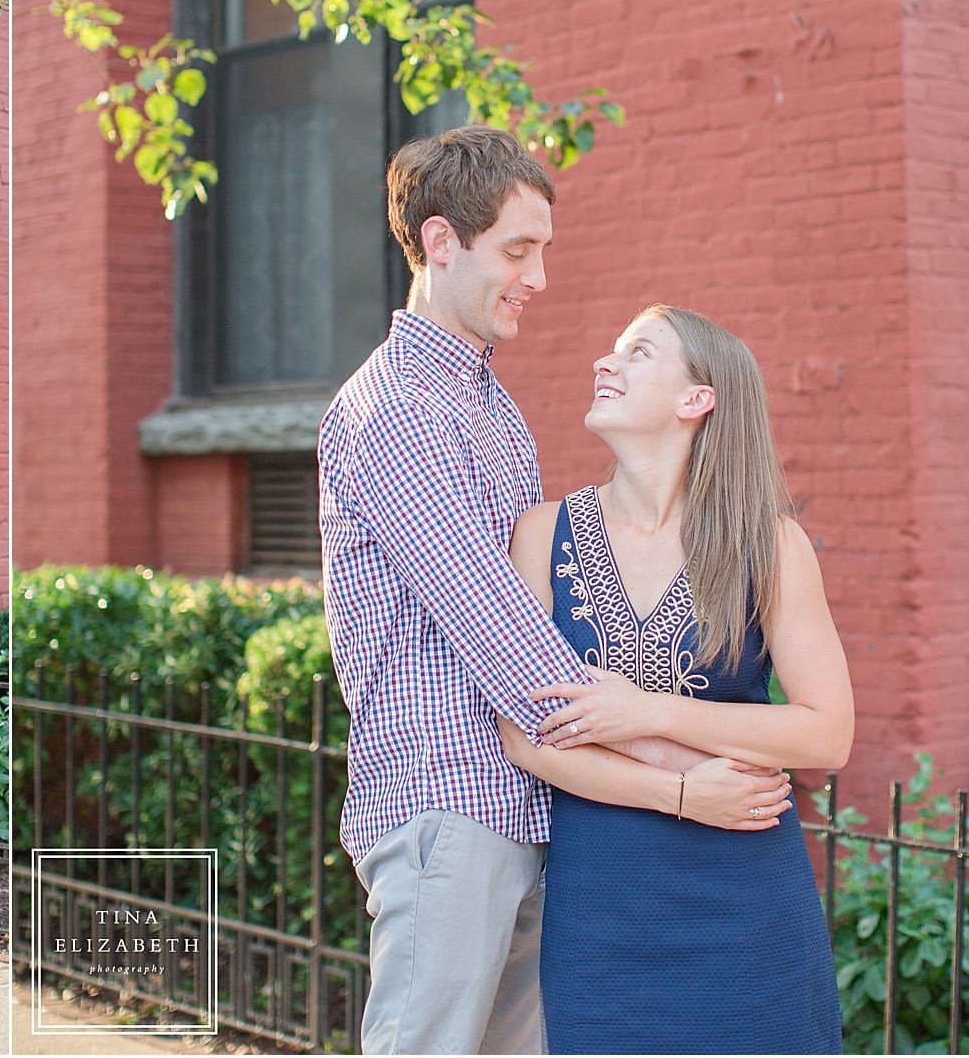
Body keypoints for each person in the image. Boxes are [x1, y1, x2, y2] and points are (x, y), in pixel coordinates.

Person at [319, 126, 790, 1055]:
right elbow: (501, 631)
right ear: (443, 241)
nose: (538, 276)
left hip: (528, 799)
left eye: (543, 251)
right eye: (517, 250)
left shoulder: (489, 406)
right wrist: (677, 767)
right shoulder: (395, 409)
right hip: (446, 801)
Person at [499, 305, 850, 1053]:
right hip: (603, 903)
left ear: (697, 399)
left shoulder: (770, 544)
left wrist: (645, 711)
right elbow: (526, 738)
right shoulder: (541, 533)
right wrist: (681, 792)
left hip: (749, 898)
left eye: (638, 353)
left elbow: (828, 731)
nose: (606, 363)